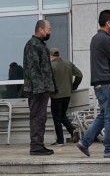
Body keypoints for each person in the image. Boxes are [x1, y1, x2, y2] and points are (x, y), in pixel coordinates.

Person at [76, 9, 110, 158]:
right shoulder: (106, 39)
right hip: (108, 83)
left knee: (104, 115)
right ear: (108, 23)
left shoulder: (95, 38)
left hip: (99, 83)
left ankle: (84, 142)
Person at [22, 20, 57, 156]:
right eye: (48, 29)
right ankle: (36, 146)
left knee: (41, 117)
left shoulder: (40, 45)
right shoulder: (33, 45)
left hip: (42, 89)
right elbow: (33, 69)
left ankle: (39, 144)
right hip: (37, 90)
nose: (50, 32)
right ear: (40, 30)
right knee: (37, 117)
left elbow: (44, 69)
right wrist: (39, 89)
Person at [48, 48, 83, 145]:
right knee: (62, 115)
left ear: (50, 55)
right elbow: (79, 75)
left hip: (56, 96)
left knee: (57, 118)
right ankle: (73, 130)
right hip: (67, 94)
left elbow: (48, 81)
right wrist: (74, 86)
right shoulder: (68, 63)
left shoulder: (51, 66)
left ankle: (60, 140)